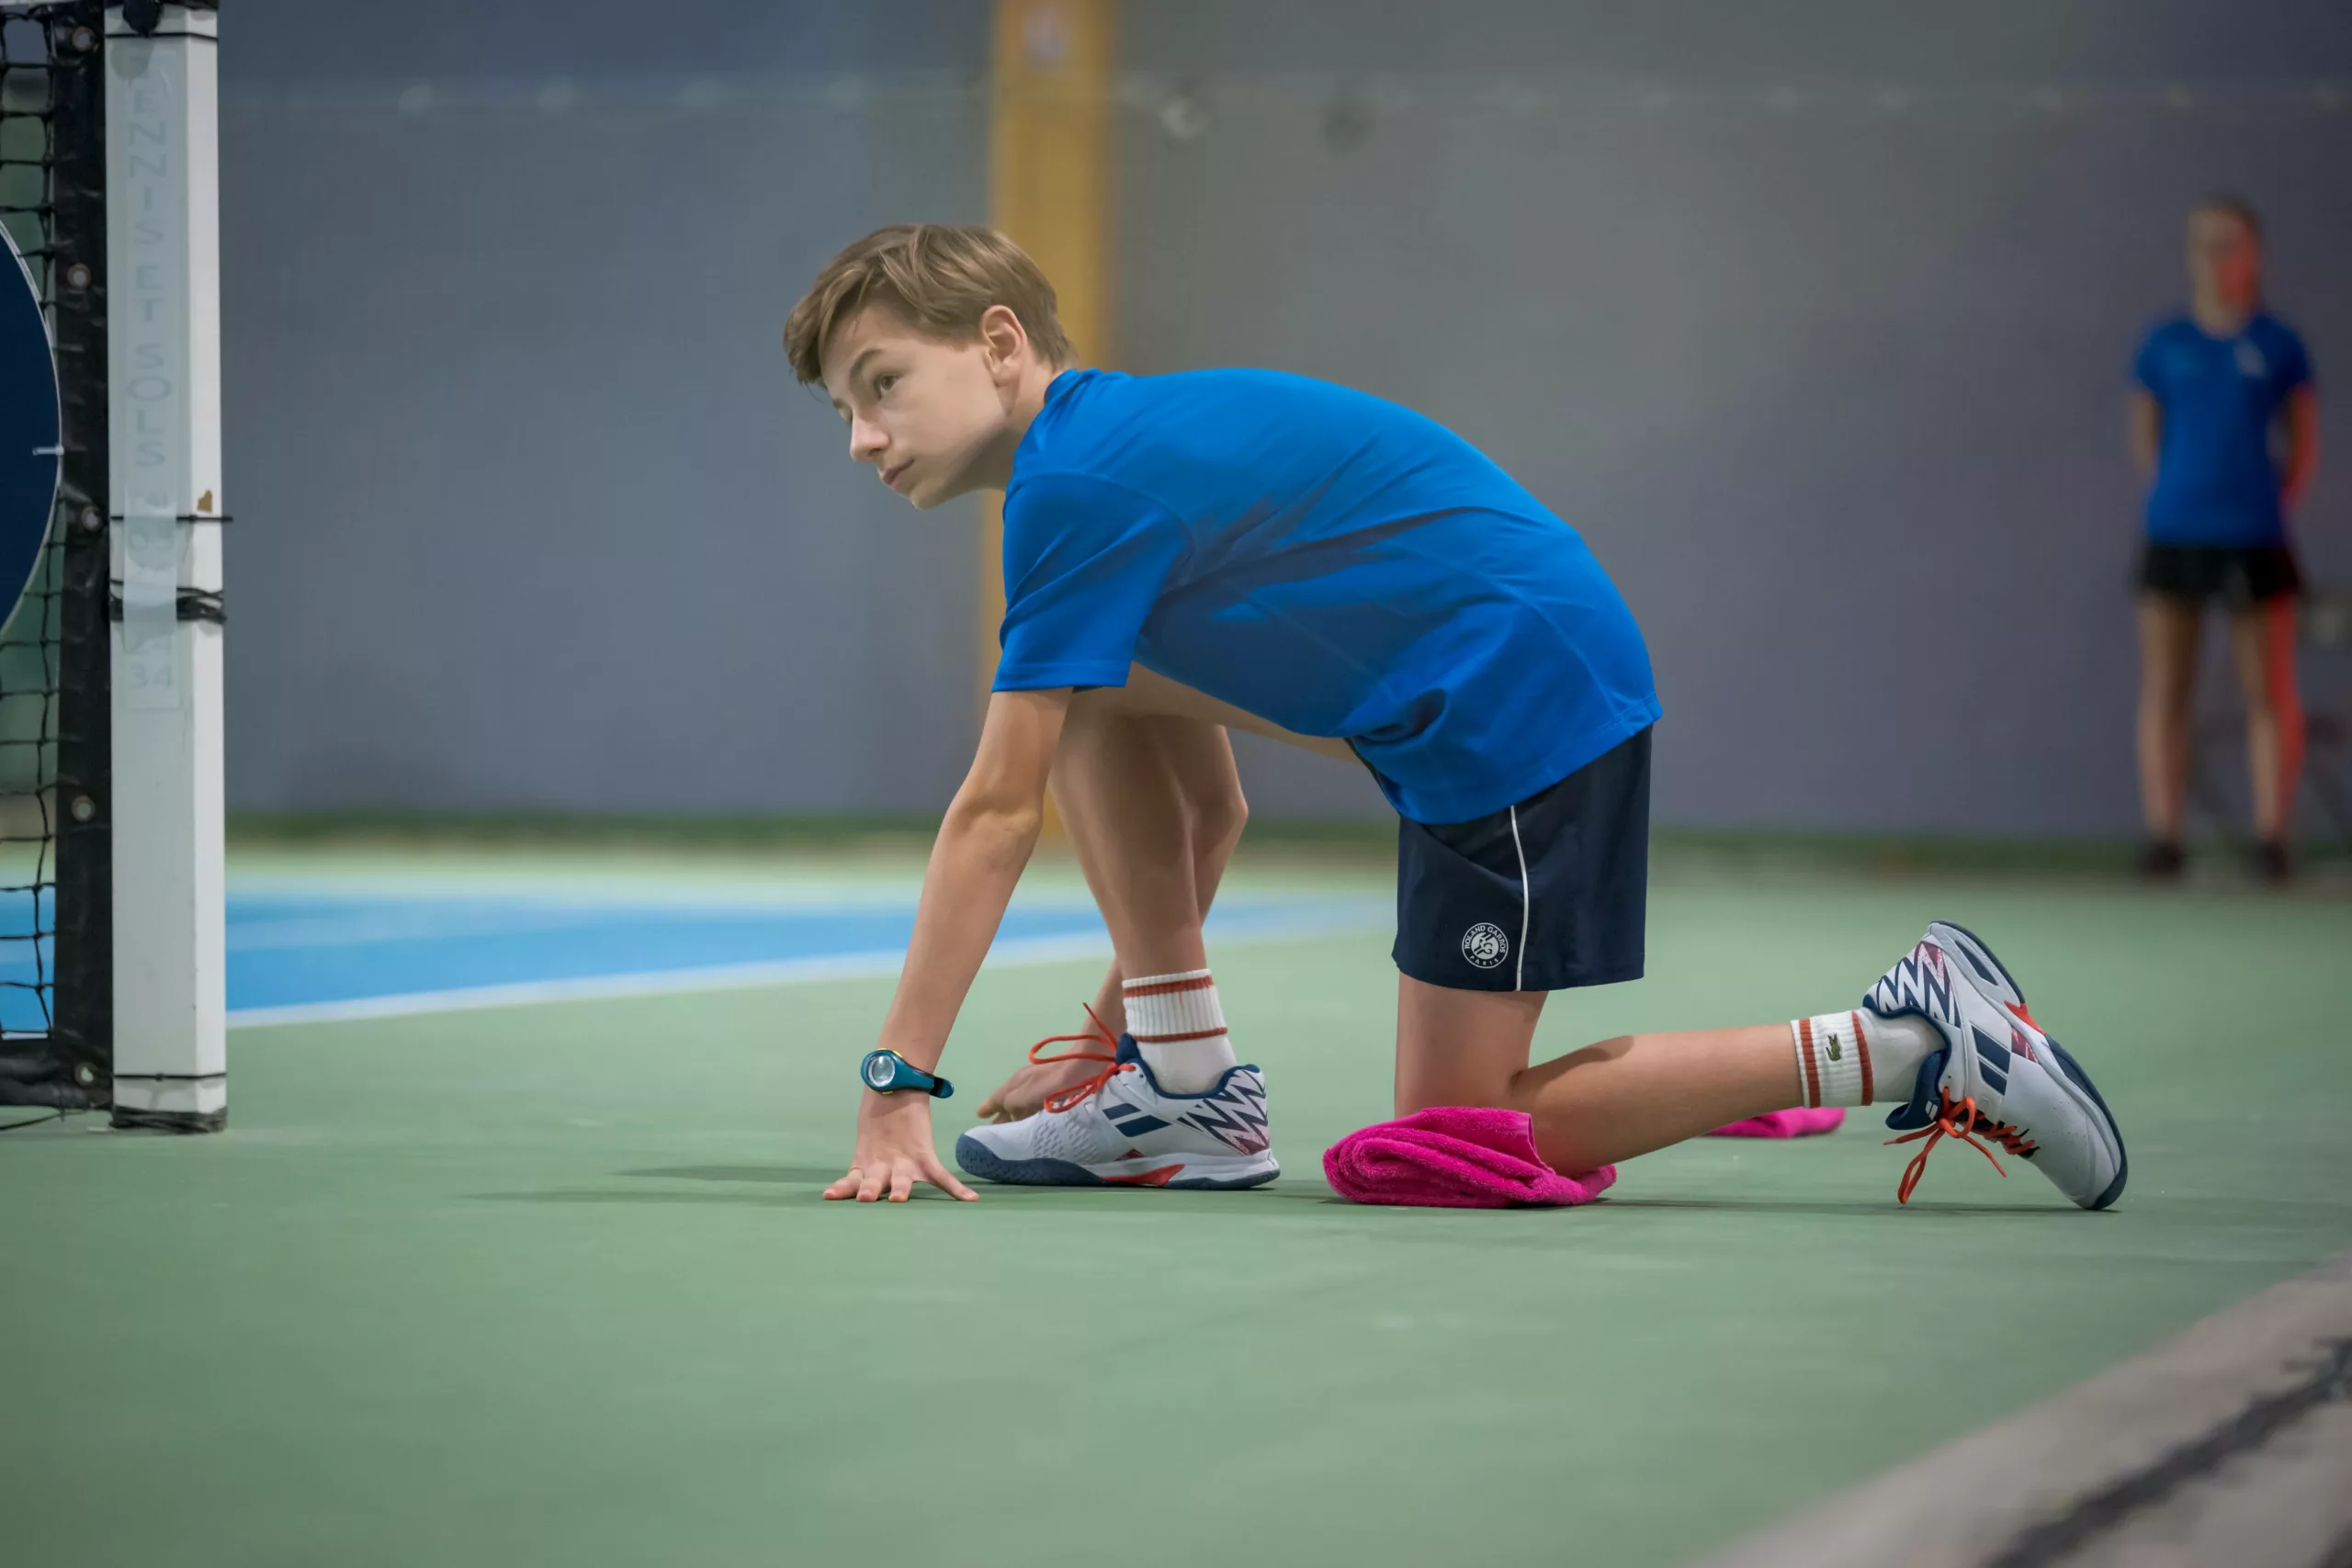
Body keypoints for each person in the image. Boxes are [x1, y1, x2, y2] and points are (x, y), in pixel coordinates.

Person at [785, 223, 2126, 1212]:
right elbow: (1207, 811)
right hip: (1503, 690)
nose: (861, 438)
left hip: (1521, 705)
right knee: (1081, 687)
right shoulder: (1098, 455)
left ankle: (1908, 1036)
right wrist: (1118, 1036)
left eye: (882, 383)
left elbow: (996, 813)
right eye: (845, 410)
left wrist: (897, 1087)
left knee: (1455, 1137)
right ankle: (1183, 1095)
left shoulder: (1074, 490)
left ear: (999, 344)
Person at [2129, 194, 2321, 883]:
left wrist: (2263, 503)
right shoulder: (2164, 344)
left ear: (2251, 254)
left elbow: (2301, 446)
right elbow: (2147, 439)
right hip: (2174, 535)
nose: (2213, 257)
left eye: (2227, 243)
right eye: (2201, 243)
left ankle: (2273, 840)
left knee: (2267, 689)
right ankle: (2166, 839)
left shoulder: (2278, 345)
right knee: (2166, 690)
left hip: (2253, 537)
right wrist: (2179, 496)